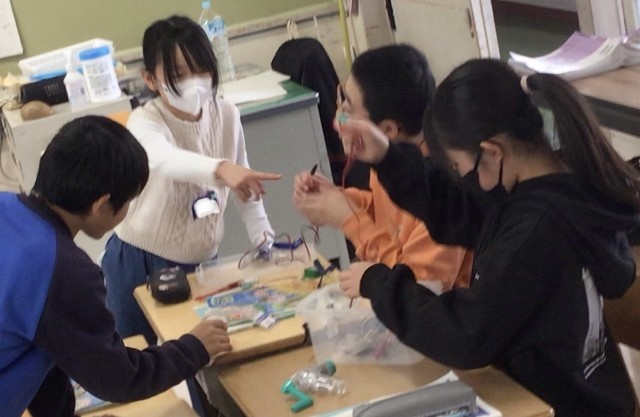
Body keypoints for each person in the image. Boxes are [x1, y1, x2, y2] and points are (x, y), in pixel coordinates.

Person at [336, 59, 640, 417]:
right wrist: (388, 157)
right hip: (582, 396)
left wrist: (379, 283)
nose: (462, 178)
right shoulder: (556, 186)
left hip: (560, 407)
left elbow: (464, 332)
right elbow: (462, 209)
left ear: (492, 152)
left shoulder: (533, 232)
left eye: (458, 167)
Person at [0, 116, 232, 417]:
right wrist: (195, 347)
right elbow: (121, 377)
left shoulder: (7, 207)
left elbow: (48, 345)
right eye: (129, 202)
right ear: (100, 205)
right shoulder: (62, 270)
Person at [102, 15, 281, 343]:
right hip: (140, 257)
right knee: (137, 351)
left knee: (199, 349)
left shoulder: (226, 113)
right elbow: (162, 159)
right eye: (179, 75)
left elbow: (243, 181)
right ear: (150, 79)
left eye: (202, 70)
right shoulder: (145, 120)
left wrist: (262, 235)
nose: (195, 83)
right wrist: (220, 168)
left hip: (201, 258)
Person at [293, 45, 471, 292]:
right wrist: (337, 200)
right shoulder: (391, 157)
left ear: (387, 130)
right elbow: (388, 213)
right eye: (341, 97)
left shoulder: (445, 188)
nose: (338, 118)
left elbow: (421, 289)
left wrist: (348, 219)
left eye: (348, 109)